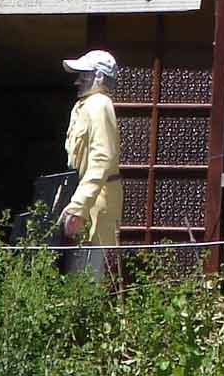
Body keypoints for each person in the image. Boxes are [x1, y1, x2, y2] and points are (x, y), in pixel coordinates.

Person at [60, 50, 123, 279]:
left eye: (84, 75)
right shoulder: (86, 105)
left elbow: (102, 159)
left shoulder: (99, 105)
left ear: (99, 76)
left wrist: (79, 206)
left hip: (96, 201)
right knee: (75, 273)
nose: (77, 81)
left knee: (88, 276)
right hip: (85, 196)